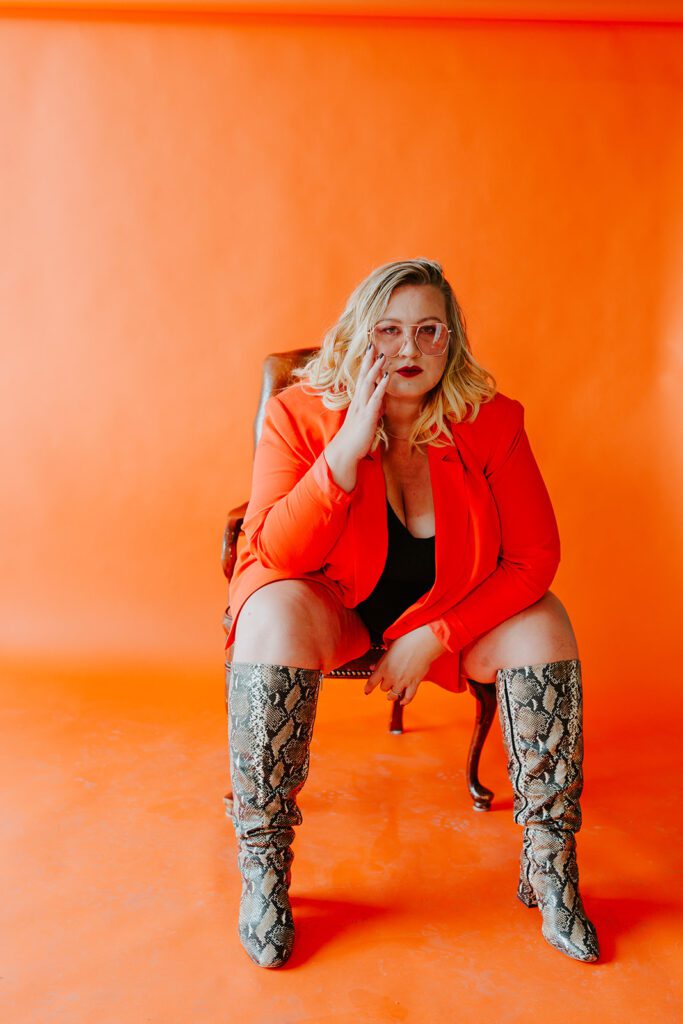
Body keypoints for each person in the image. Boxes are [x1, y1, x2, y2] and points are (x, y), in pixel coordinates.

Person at [223, 257, 600, 969]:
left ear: (451, 340)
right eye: (388, 330)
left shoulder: (490, 421)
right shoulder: (299, 415)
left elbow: (533, 558)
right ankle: (265, 868)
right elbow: (273, 550)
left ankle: (550, 867)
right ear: (360, 335)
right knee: (269, 612)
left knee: (545, 620)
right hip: (330, 607)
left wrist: (437, 636)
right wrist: (343, 451)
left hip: (449, 607)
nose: (407, 349)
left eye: (428, 331)